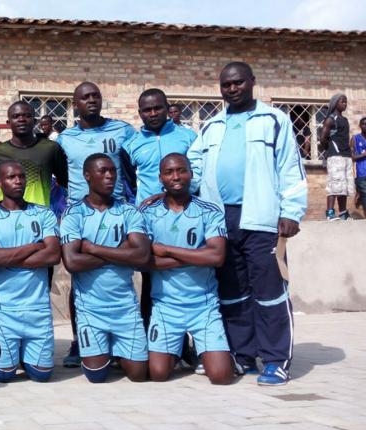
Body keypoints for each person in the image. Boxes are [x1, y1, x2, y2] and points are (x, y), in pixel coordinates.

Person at [188, 61, 307, 386]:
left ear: (252, 81)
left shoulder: (274, 120)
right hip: (220, 220)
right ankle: (242, 355)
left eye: (238, 82)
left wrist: (291, 212)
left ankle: (275, 359)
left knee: (269, 291)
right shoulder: (211, 126)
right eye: (226, 85)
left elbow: (290, 169)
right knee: (233, 292)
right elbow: (193, 168)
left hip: (262, 218)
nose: (232, 89)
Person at [56, 82, 135, 367]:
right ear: (75, 104)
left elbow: (133, 168)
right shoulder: (65, 139)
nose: (91, 100)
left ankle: (123, 340)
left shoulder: (123, 131)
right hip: (81, 214)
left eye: (95, 96)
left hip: (116, 212)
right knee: (80, 282)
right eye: (85, 97)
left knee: (119, 275)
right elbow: (61, 176)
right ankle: (81, 341)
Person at [141, 153, 233, 385]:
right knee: (158, 374)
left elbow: (217, 256)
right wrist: (198, 255)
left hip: (204, 305)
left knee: (222, 377)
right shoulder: (147, 213)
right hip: (165, 306)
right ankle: (182, 350)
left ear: (191, 174)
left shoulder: (209, 211)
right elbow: (144, 261)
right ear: (160, 177)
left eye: (182, 170)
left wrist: (166, 249)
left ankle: (200, 348)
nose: (176, 176)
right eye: (169, 172)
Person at [60, 153, 150, 383]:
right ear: (87, 176)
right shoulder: (73, 213)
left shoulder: (129, 211)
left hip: (125, 309)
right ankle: (105, 348)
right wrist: (120, 252)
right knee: (96, 377)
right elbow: (72, 263)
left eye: (113, 171)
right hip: (91, 310)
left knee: (139, 376)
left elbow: (141, 256)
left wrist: (92, 248)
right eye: (103, 171)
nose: (110, 176)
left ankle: (120, 350)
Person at [121, 89, 198, 345]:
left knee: (189, 274)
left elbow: (198, 175)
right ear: (140, 112)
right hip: (150, 222)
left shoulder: (189, 137)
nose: (152, 113)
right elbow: (129, 183)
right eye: (146, 110)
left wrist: (170, 195)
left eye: (157, 108)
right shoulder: (131, 144)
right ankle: (152, 341)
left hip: (187, 216)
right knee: (151, 277)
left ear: (167, 108)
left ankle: (193, 344)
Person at [0, 161, 60, 383]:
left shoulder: (44, 215)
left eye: (21, 177)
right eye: (11, 177)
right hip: (6, 308)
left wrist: (7, 258)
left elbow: (53, 255)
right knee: (2, 375)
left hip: (37, 307)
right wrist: (34, 246)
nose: (18, 181)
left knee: (42, 376)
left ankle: (22, 354)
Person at [0, 102, 68, 209]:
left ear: (35, 122)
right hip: (7, 218)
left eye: (27, 116)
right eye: (16, 116)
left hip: (41, 217)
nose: (22, 119)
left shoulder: (51, 148)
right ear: (8, 123)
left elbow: (65, 181)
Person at [319, 94, 354, 220]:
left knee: (343, 185)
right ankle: (330, 213)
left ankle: (343, 213)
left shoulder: (344, 120)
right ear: (335, 103)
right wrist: (330, 149)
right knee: (334, 184)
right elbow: (322, 138)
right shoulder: (330, 119)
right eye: (342, 102)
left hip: (346, 156)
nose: (345, 104)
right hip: (335, 156)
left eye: (346, 102)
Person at [351, 117, 366, 215]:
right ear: (360, 126)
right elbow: (351, 157)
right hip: (361, 172)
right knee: (365, 195)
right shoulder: (355, 138)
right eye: (364, 124)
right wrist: (363, 155)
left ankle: (358, 193)